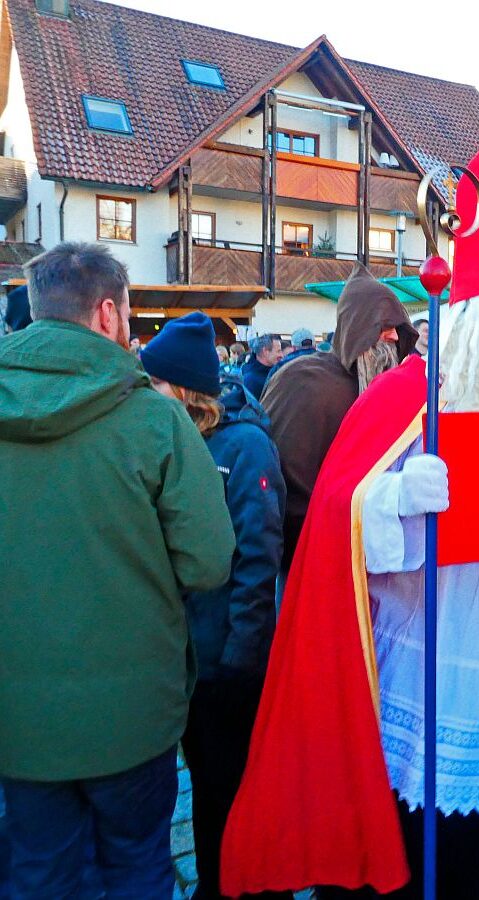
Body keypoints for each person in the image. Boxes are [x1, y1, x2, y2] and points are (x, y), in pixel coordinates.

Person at [220, 136, 479, 899]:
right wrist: (391, 500)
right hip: (424, 654)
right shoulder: (402, 400)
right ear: (472, 321)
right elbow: (332, 523)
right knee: (417, 855)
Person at [0, 243, 235, 899]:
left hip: (18, 717)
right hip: (133, 716)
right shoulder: (153, 418)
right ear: (108, 313)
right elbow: (210, 561)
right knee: (135, 867)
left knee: (37, 871)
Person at [140, 312, 289, 900]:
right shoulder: (181, 437)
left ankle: (250, 885)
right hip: (190, 655)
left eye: (153, 383)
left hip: (228, 660)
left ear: (179, 388)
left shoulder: (245, 445)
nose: (145, 393)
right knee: (206, 781)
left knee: (236, 783)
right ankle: (215, 881)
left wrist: (239, 657)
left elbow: (259, 558)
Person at [261, 264, 416, 578]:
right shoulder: (302, 381)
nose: (394, 336)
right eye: (384, 325)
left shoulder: (389, 389)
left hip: (372, 555)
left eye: (398, 327)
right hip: (309, 555)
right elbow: (284, 481)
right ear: (358, 325)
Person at [242, 333, 284, 399]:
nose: (282, 355)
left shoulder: (277, 371)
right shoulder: (250, 380)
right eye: (278, 351)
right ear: (265, 351)